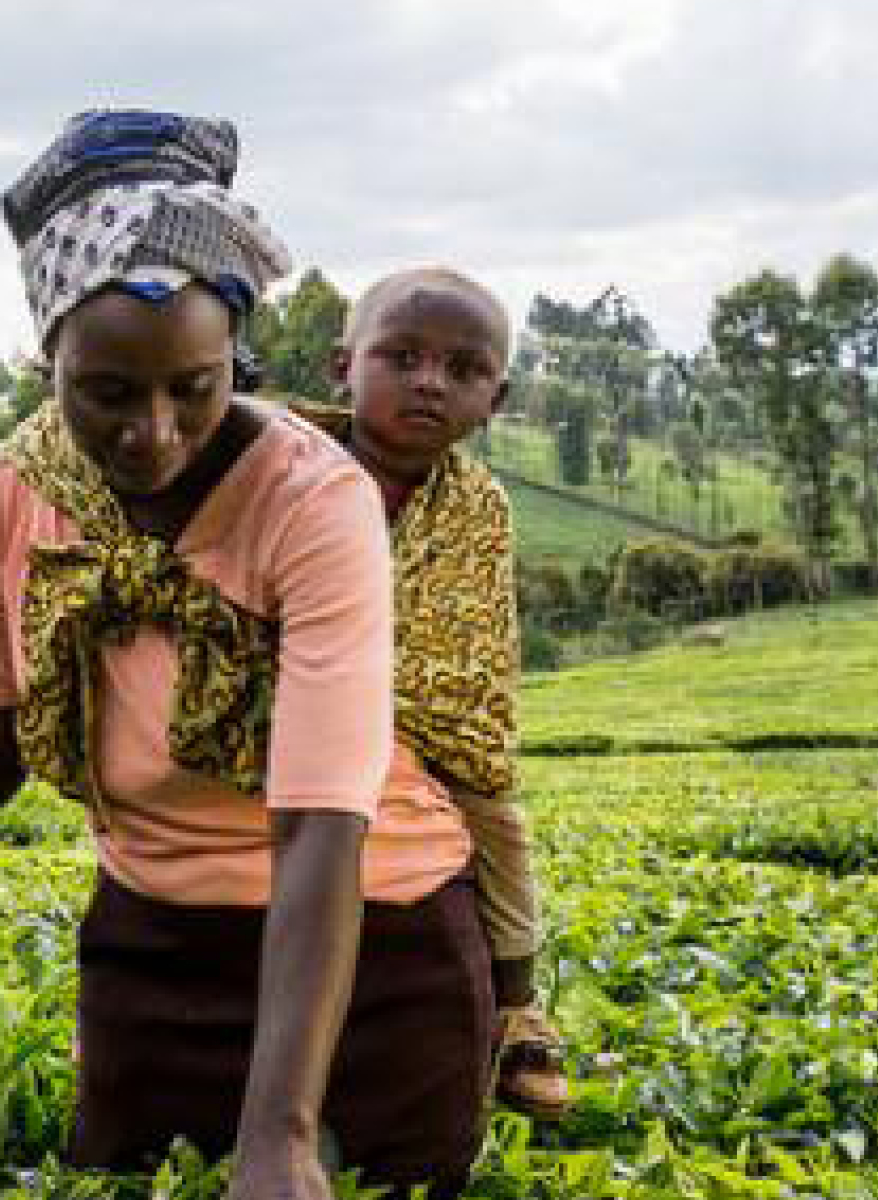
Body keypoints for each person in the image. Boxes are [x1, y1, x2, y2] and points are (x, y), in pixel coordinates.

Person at [0, 110, 495, 1200]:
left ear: (233, 359)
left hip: (373, 951)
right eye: (107, 392)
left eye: (192, 390)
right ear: (48, 356)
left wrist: (280, 1132)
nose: (152, 432)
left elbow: (317, 822)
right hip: (152, 945)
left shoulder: (316, 500)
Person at [313, 266, 571, 1121]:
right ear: (340, 367)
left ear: (495, 398)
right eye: (403, 357)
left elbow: (473, 642)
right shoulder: (288, 464)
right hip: (303, 708)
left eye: (463, 370)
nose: (430, 382)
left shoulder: (480, 506)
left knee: (499, 827)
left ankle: (517, 1010)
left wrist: (420, 715)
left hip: (444, 729)